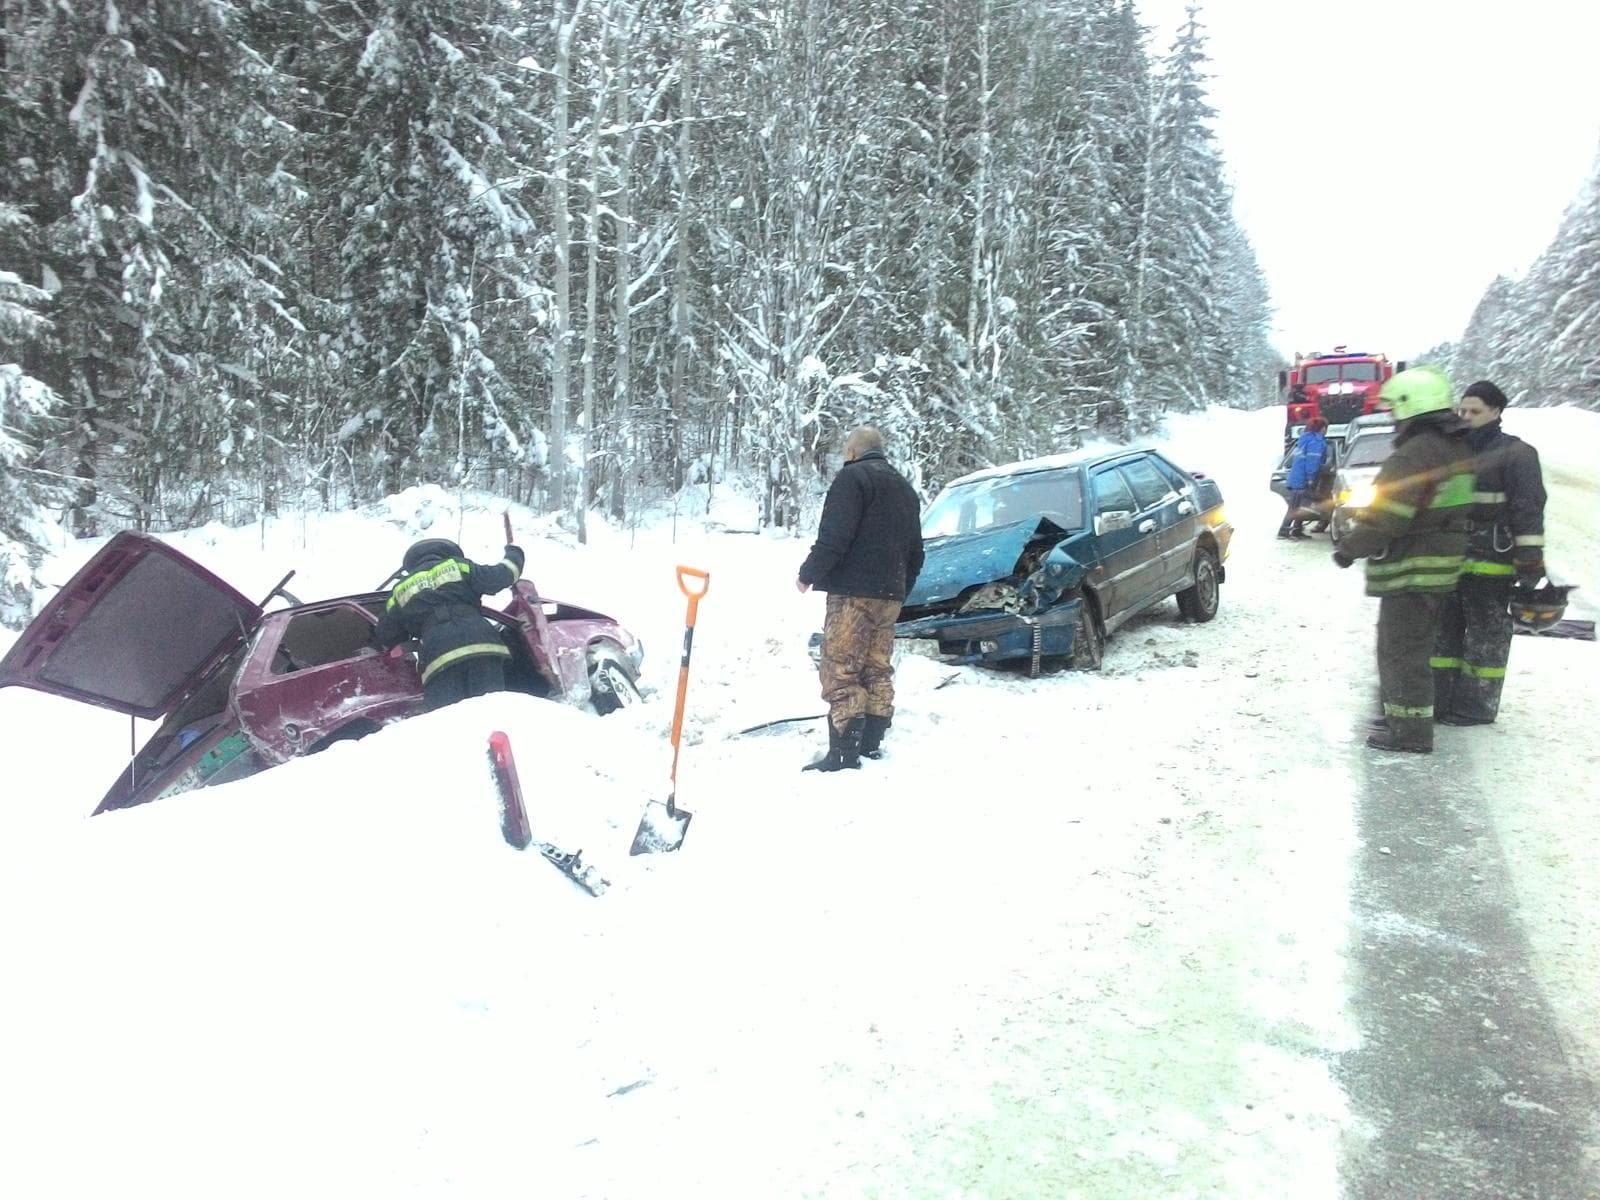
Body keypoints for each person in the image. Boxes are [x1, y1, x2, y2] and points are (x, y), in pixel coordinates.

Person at [1332, 366, 1474, 753]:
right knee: (1415, 648)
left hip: (1414, 569)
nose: (1392, 416)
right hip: (1439, 566)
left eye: (1394, 408)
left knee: (1401, 652)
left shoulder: (1416, 453)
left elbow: (1386, 515)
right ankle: (1402, 720)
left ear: (1412, 405)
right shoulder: (1454, 446)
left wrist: (1349, 548)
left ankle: (1409, 733)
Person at [795, 426, 925, 772]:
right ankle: (871, 743)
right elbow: (917, 553)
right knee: (877, 667)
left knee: (841, 668)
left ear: (852, 452)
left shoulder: (852, 479)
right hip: (890, 596)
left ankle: (843, 752)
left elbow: (835, 536)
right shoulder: (906, 490)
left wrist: (809, 573)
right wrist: (901, 591)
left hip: (853, 595)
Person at [1432, 380, 1548, 725]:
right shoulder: (1452, 451)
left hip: (1492, 562)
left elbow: (1529, 510)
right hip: (1450, 560)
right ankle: (1440, 701)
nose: (1466, 417)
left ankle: (1476, 707)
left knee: (1486, 637)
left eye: (1475, 411)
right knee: (1444, 634)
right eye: (1462, 410)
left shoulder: (1517, 454)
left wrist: (1529, 561)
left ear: (1496, 412)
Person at [371, 536, 527, 711]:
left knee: (450, 725)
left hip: (437, 658)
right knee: (491, 715)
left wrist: (411, 638)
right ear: (445, 553)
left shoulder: (399, 590)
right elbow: (503, 575)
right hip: (482, 645)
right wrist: (514, 553)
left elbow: (386, 634)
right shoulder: (459, 566)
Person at [1278, 417, 1329, 538]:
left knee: (1300, 505)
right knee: (1296, 506)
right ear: (1322, 428)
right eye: (1325, 428)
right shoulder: (1315, 442)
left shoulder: (1304, 440)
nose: (1326, 431)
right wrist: (1311, 478)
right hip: (1303, 479)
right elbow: (1312, 461)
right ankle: (1284, 530)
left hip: (1297, 477)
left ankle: (1296, 529)